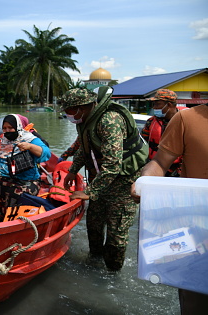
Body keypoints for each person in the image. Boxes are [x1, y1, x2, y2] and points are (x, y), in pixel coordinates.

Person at [131, 103, 208, 314]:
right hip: (198, 236)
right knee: (195, 303)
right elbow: (159, 163)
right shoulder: (187, 120)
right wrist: (145, 182)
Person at [60, 87, 147, 271]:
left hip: (123, 184)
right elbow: (86, 149)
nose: (68, 116)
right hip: (101, 181)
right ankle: (94, 264)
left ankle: (113, 274)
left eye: (69, 111)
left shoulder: (109, 121)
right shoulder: (84, 121)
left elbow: (113, 165)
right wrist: (72, 170)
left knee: (116, 237)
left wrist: (89, 192)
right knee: (94, 226)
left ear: (82, 107)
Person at [0, 114, 51, 223]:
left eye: (10, 128)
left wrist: (29, 147)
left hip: (27, 181)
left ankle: (5, 213)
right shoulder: (4, 139)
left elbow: (46, 153)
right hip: (7, 177)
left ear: (18, 127)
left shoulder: (29, 139)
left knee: (14, 189)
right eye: (5, 128)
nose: (7, 131)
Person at [140, 88, 182, 176]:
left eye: (157, 104)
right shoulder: (150, 122)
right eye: (154, 104)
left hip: (177, 171)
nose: (154, 107)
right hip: (154, 168)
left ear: (169, 105)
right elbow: (142, 144)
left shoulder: (184, 122)